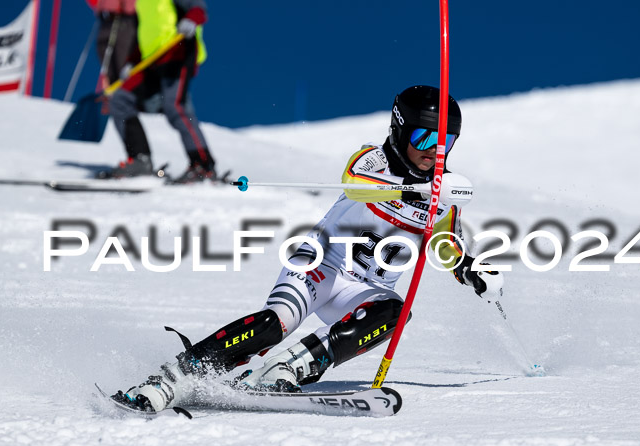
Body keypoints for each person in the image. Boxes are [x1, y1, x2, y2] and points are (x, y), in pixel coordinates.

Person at [111, 85, 504, 413]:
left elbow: (443, 243)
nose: (434, 150)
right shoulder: (376, 160)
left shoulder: (444, 195)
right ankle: (170, 379)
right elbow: (353, 182)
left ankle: (288, 367)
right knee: (274, 323)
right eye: (423, 137)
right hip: (321, 265)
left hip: (362, 289)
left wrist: (470, 268)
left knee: (394, 312)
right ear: (400, 132)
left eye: (445, 140)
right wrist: (410, 191)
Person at [99, 0, 217, 183]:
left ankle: (203, 165)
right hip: (151, 62)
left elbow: (198, 8)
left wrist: (192, 20)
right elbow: (145, 32)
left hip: (176, 54)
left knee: (175, 107)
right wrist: (132, 60)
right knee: (120, 100)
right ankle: (140, 160)